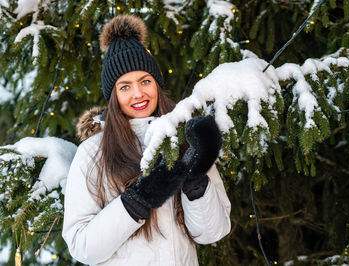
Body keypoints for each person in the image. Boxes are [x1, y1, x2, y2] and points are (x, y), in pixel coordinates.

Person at [62, 14, 231, 265]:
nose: (138, 93)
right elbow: (81, 246)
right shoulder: (92, 152)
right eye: (125, 86)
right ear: (113, 95)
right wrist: (136, 201)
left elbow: (213, 233)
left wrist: (195, 182)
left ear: (157, 84)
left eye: (145, 81)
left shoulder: (185, 139)